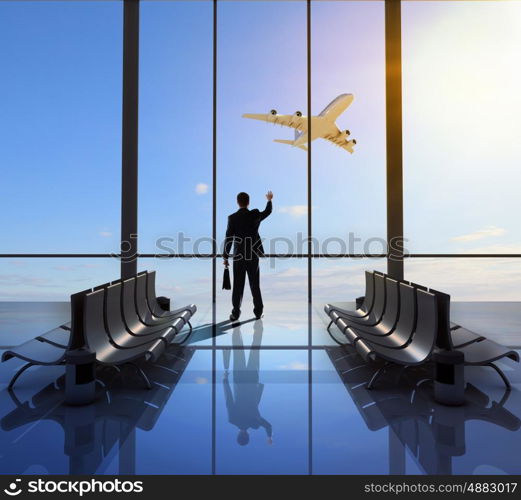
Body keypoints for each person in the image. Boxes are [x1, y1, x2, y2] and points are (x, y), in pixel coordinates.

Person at [223, 190, 273, 321]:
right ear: (248, 202)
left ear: (237, 202)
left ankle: (236, 313)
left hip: (238, 256)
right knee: (254, 284)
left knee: (238, 285)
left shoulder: (232, 218)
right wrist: (269, 200)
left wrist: (225, 256)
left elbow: (229, 238)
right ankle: (258, 312)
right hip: (252, 255)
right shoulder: (255, 215)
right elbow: (267, 212)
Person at [223, 321, 273, 446]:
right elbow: (228, 399)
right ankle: (236, 325)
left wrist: (269, 436)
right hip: (239, 379)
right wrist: (225, 380)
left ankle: (258, 326)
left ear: (247, 436)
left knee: (255, 349)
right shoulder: (233, 420)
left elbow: (268, 426)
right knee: (238, 350)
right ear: (238, 435)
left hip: (252, 380)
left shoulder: (255, 423)